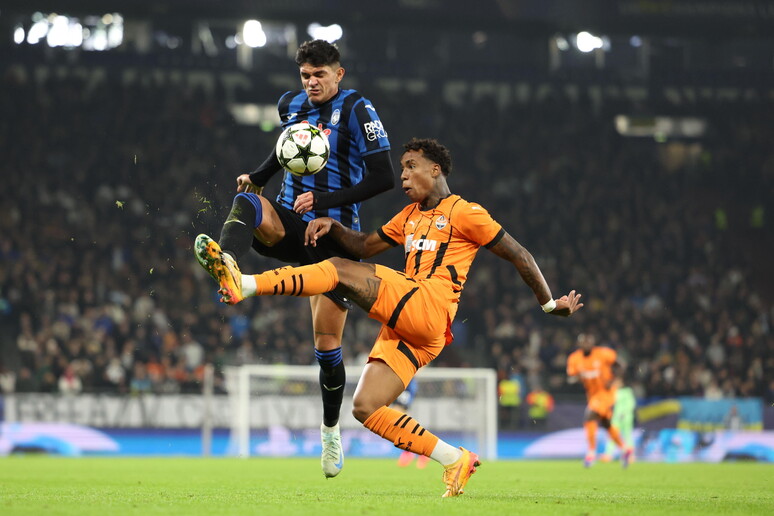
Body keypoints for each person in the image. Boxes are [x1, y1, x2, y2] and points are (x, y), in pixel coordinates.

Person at [195, 138, 583, 496]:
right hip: (416, 329)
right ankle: (454, 459)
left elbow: (520, 254)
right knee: (365, 407)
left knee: (339, 269)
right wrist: (334, 225)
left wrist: (549, 304)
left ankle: (244, 283)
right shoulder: (409, 215)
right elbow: (365, 244)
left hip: (430, 305)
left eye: (410, 166)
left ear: (436, 169)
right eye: (400, 169)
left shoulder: (466, 213)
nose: (403, 176)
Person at [205, 39, 395, 478]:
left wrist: (325, 200)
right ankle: (228, 266)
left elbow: (384, 176)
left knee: (327, 345)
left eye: (320, 75)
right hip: (291, 222)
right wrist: (260, 176)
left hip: (333, 237)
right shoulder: (290, 104)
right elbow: (287, 146)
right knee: (248, 202)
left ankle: (330, 433)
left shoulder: (358, 111)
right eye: (306, 76)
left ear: (338, 74)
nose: (311, 83)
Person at [566, 333, 634, 468]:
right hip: (592, 395)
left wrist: (615, 380)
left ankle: (591, 453)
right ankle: (625, 449)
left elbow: (621, 364)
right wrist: (576, 379)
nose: (586, 344)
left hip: (607, 393)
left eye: (588, 341)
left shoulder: (603, 354)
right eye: (583, 342)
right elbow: (571, 377)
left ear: (593, 343)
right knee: (606, 424)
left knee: (589, 415)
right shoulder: (574, 358)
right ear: (579, 344)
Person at [392, 378, 430, 468]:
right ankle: (422, 450)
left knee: (398, 417)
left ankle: (416, 451)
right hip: (396, 382)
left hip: (405, 382)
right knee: (402, 419)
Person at [600, 378, 636, 462]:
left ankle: (630, 455)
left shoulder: (627, 391)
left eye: (618, 382)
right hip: (616, 417)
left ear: (622, 383)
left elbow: (631, 404)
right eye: (615, 382)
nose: (616, 384)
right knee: (613, 435)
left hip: (626, 417)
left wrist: (624, 413)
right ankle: (608, 455)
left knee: (627, 436)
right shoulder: (614, 391)